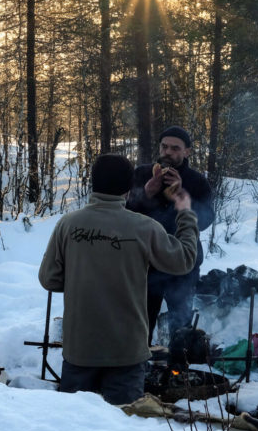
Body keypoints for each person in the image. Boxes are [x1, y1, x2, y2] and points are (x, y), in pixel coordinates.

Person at [38, 153, 199, 405]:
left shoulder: (68, 225)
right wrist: (185, 213)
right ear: (128, 187)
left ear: (92, 184)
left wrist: (82, 277)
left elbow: (49, 279)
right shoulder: (144, 228)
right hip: (126, 353)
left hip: (80, 350)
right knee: (122, 429)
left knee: (73, 429)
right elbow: (185, 259)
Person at [126, 126, 213, 343]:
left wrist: (182, 198)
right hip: (146, 262)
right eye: (164, 146)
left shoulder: (197, 182)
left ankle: (178, 369)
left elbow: (205, 221)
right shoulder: (141, 174)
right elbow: (124, 216)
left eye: (175, 148)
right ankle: (138, 368)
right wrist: (147, 193)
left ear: (187, 152)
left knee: (181, 323)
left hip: (183, 263)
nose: (168, 152)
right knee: (140, 322)